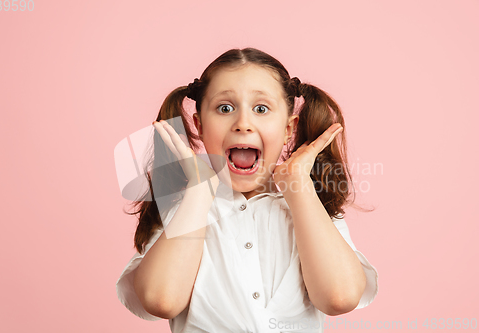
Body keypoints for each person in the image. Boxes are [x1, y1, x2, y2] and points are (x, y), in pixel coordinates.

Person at [116, 47, 378, 332]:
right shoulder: (184, 211)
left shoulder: (310, 209)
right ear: (199, 126)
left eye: (261, 109)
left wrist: (299, 187)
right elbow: (160, 300)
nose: (243, 124)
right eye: (225, 108)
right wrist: (199, 193)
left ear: (289, 129)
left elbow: (340, 297)